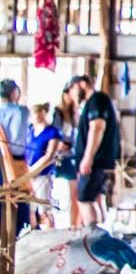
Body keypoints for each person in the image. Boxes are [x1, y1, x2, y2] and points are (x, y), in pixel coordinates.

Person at [68, 75, 120, 226]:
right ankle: (100, 237)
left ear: (82, 84)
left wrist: (88, 157)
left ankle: (93, 240)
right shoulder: (95, 101)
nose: (72, 94)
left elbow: (97, 128)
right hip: (98, 162)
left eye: (73, 89)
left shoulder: (97, 100)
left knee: (85, 200)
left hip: (95, 162)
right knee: (95, 198)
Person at [0, 79, 30, 230]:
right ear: (14, 93)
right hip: (13, 165)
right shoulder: (20, 111)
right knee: (18, 204)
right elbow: (18, 146)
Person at [24, 103, 60, 229]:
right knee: (31, 208)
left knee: (44, 208)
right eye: (35, 113)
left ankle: (51, 236)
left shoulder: (52, 132)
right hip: (28, 173)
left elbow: (49, 156)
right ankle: (34, 234)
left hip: (43, 174)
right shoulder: (30, 130)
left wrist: (33, 171)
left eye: (40, 112)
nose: (37, 116)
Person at [52, 85, 80, 226]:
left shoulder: (75, 114)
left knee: (74, 192)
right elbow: (55, 132)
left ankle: (73, 225)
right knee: (53, 191)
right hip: (58, 155)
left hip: (71, 155)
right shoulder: (58, 112)